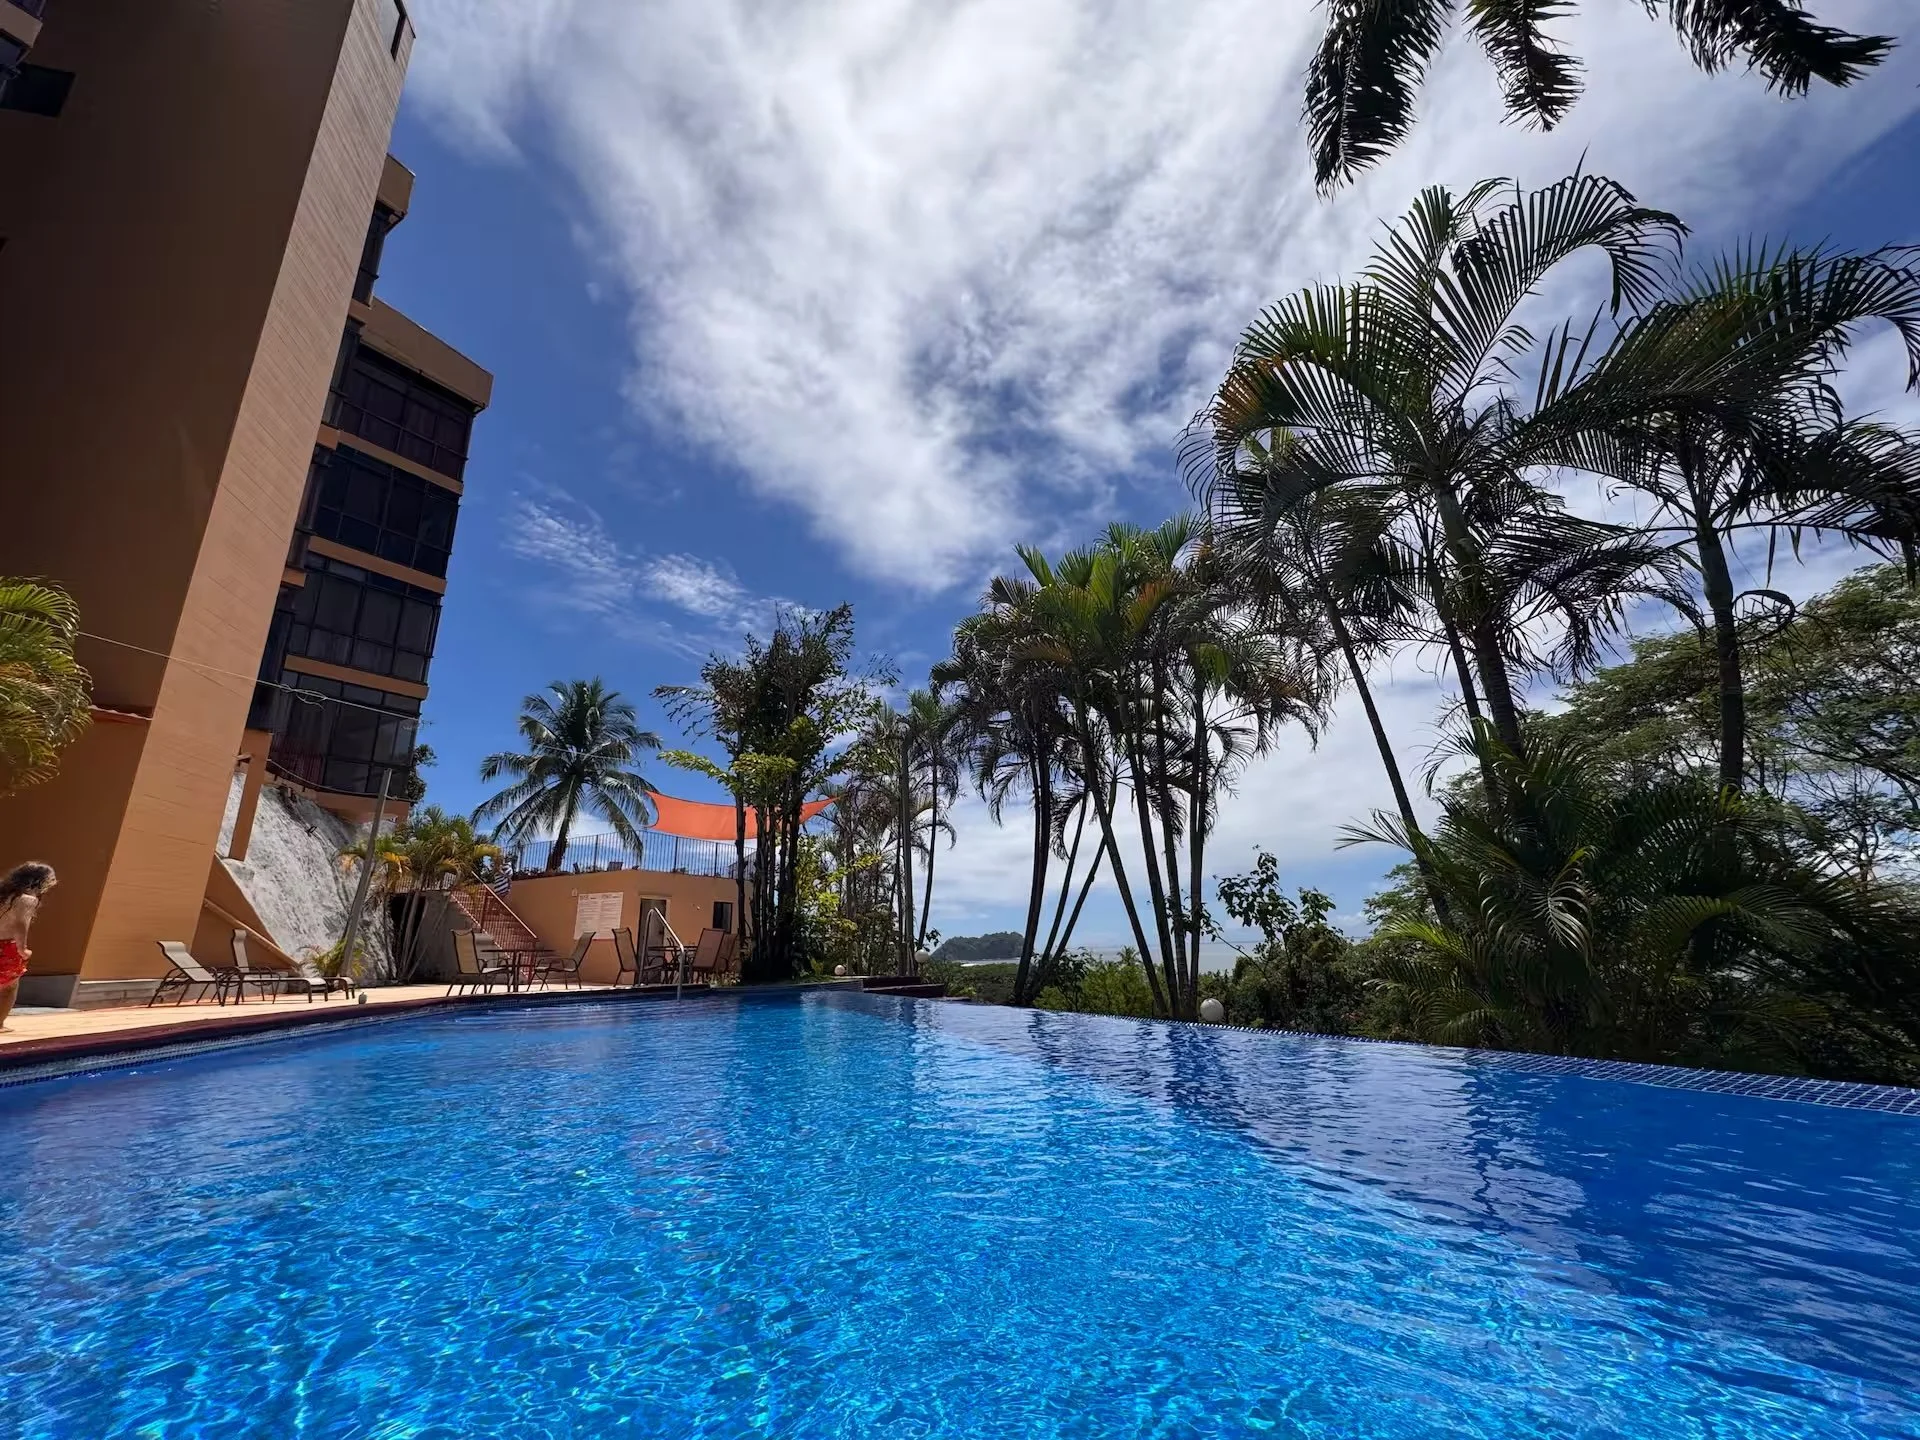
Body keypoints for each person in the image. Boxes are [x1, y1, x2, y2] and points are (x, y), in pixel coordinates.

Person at [0, 862, 57, 1030]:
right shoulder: (27, 899)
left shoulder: (3, 895)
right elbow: (20, 924)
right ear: (40, 882)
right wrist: (22, 948)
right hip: (8, 947)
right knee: (9, 987)